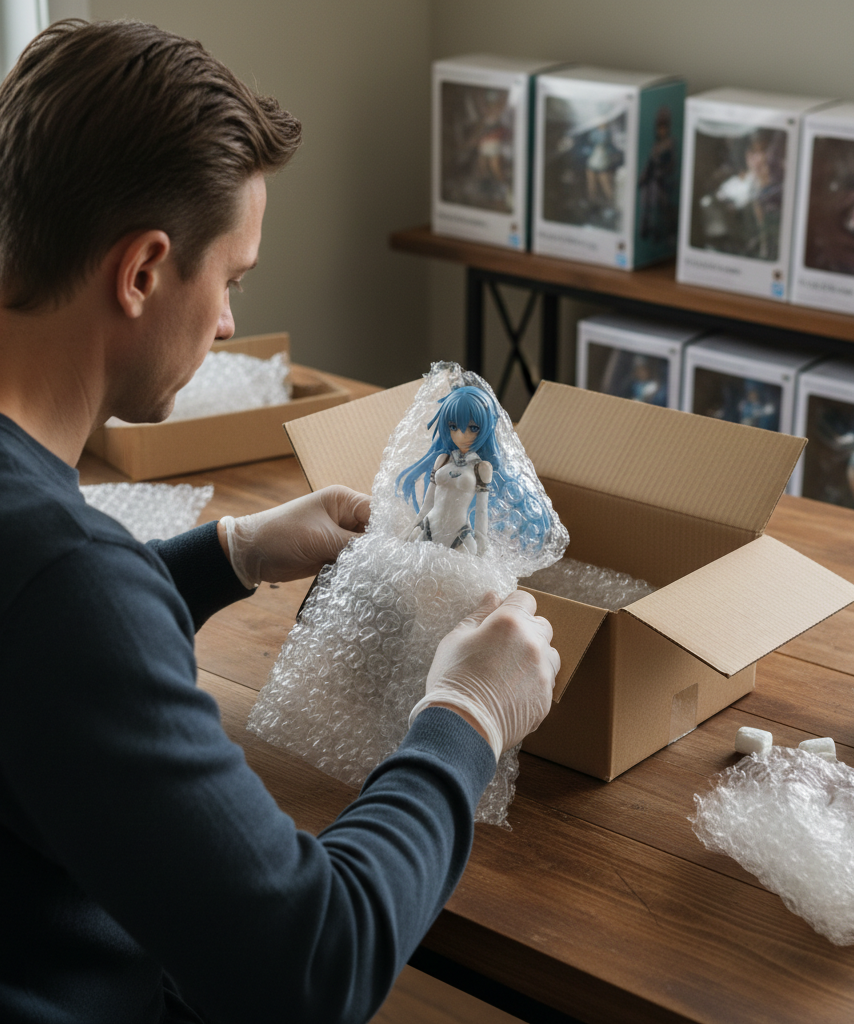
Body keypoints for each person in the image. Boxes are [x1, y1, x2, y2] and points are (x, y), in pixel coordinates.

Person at [0, 18, 560, 1024]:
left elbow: (35, 637)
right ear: (141, 271)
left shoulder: (45, 560)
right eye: (232, 282)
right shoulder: (64, 578)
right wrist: (466, 717)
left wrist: (228, 553)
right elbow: (309, 968)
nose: (224, 324)